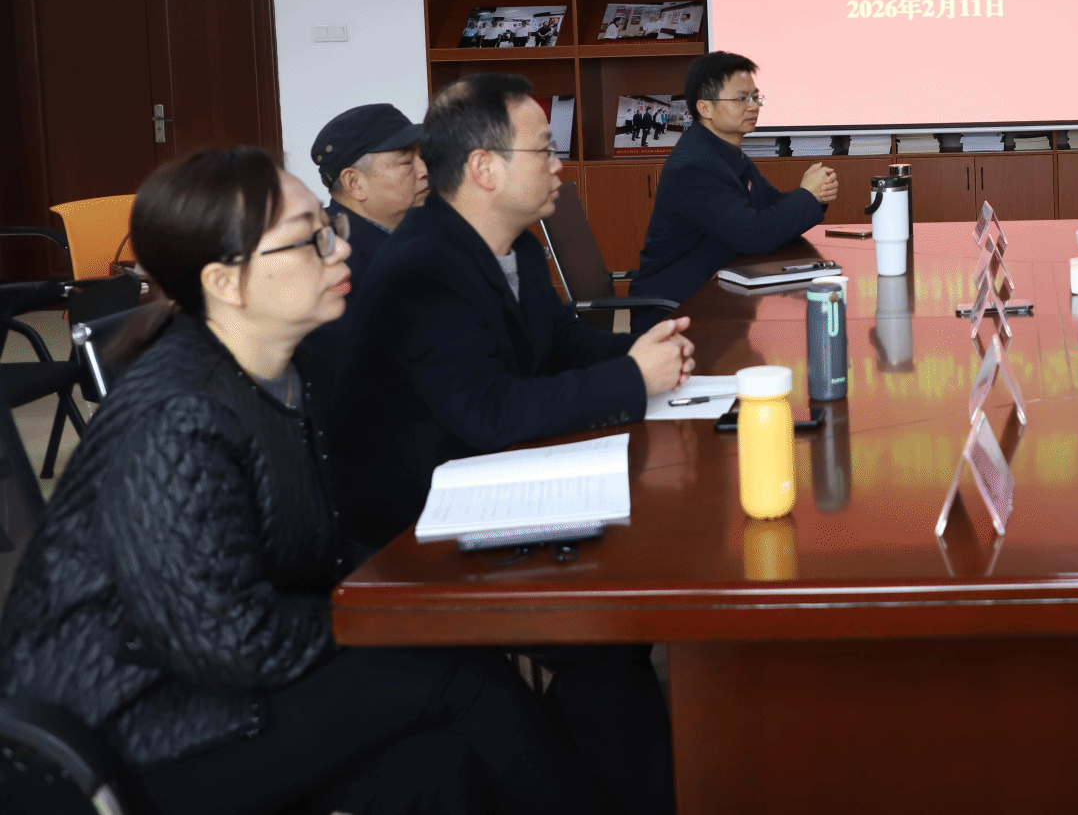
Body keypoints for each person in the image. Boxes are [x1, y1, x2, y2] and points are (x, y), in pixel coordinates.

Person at [0, 147, 613, 815]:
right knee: (457, 673)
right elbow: (228, 641)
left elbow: (309, 545)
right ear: (226, 282)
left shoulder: (290, 370)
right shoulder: (179, 416)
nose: (341, 250)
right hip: (133, 721)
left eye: (331, 227)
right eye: (309, 239)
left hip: (224, 670)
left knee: (437, 762)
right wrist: (393, 615)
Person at [332, 73, 690, 815]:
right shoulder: (423, 269)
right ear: (485, 168)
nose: (559, 164)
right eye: (544, 149)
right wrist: (632, 377)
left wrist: (660, 356)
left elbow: (560, 345)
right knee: (602, 632)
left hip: (494, 487)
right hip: (415, 530)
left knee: (624, 608)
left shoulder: (513, 247)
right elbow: (488, 412)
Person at [634, 51, 839, 331]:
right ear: (705, 108)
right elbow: (754, 235)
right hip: (679, 312)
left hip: (717, 295)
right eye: (741, 99)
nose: (753, 106)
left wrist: (816, 195)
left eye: (755, 97)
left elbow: (770, 204)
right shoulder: (694, 166)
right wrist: (807, 196)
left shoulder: (725, 153)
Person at [310, 102, 428, 279]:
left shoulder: (422, 232)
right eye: (406, 162)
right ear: (355, 183)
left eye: (423, 157)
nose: (424, 171)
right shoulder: (336, 262)